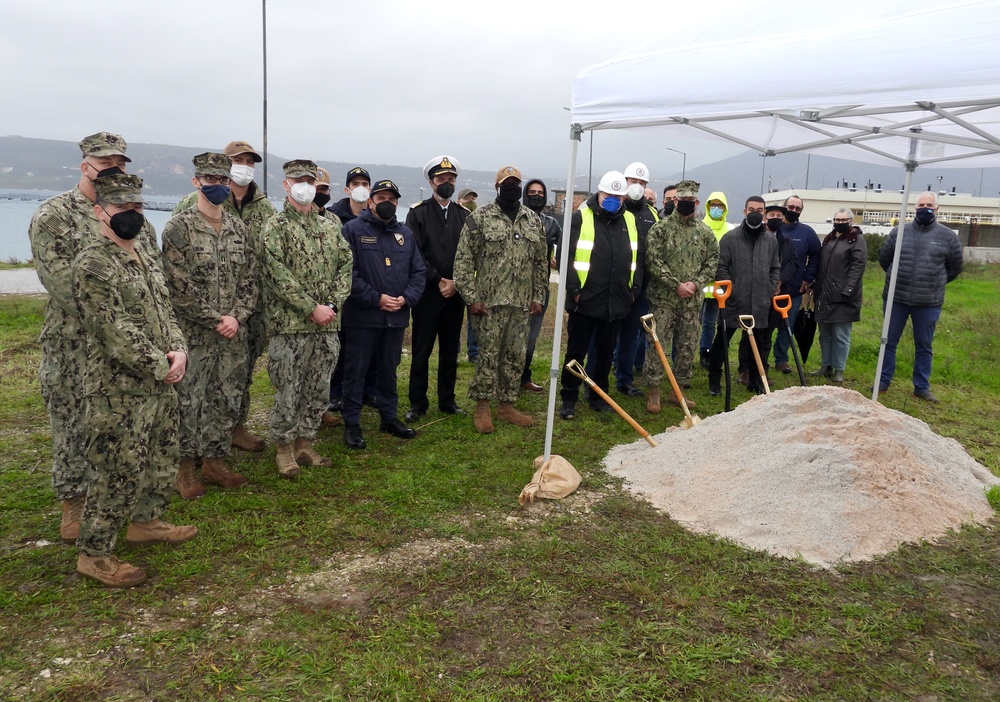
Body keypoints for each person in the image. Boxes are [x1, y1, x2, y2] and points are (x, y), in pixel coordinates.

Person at [28, 131, 160, 545]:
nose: (113, 171)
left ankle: (140, 515)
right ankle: (75, 507)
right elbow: (63, 284)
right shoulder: (54, 215)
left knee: (131, 430)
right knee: (73, 424)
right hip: (74, 343)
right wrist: (117, 324)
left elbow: (153, 280)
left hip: (131, 346)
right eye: (105, 164)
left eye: (120, 164)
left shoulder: (137, 219)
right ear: (85, 166)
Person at [72, 172, 196, 587]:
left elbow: (166, 310)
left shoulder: (143, 251)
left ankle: (146, 522)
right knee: (116, 470)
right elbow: (113, 330)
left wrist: (178, 350)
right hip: (118, 390)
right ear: (100, 211)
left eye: (137, 207)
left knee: (160, 458)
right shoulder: (93, 263)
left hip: (160, 382)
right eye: (122, 208)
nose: (132, 215)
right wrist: (163, 364)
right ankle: (95, 553)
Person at [161, 153, 258, 498]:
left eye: (223, 179)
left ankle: (215, 462)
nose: (217, 185)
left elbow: (249, 281)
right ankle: (185, 469)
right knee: (188, 400)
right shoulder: (179, 227)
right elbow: (178, 285)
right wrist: (217, 319)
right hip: (195, 334)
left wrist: (236, 316)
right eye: (210, 179)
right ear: (196, 182)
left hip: (233, 333)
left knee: (225, 396)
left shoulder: (237, 228)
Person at [174, 140, 275, 453]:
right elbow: (178, 276)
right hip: (199, 324)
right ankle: (188, 461)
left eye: (249, 161)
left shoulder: (253, 214)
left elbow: (254, 268)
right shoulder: (185, 215)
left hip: (243, 318)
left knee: (233, 383)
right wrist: (215, 318)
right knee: (193, 391)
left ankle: (228, 439)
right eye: (237, 160)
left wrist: (238, 314)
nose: (243, 166)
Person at [259, 160, 353, 476]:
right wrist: (310, 307)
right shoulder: (275, 227)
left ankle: (305, 443)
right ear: (286, 185)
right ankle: (284, 449)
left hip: (327, 324)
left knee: (318, 387)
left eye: (310, 180)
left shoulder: (331, 225)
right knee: (290, 387)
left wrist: (332, 306)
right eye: (298, 180)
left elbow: (345, 266)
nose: (304, 185)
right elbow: (276, 274)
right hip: (291, 325)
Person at [454, 165, 548, 433]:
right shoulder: (479, 218)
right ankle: (482, 407)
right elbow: (462, 261)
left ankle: (507, 406)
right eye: (507, 184)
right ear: (497, 187)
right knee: (487, 356)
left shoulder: (533, 220)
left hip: (521, 304)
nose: (512, 188)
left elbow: (541, 263)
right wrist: (471, 298)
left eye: (516, 183)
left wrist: (538, 295)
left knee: (515, 356)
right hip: (489, 304)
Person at [340, 180, 426, 449]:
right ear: (370, 201)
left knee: (389, 370)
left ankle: (389, 418)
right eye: (381, 197)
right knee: (356, 371)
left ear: (397, 202)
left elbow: (418, 272)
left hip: (395, 318)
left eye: (392, 198)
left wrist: (406, 298)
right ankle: (352, 424)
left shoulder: (405, 234)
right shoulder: (352, 230)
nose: (387, 202)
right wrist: (376, 299)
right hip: (363, 318)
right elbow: (347, 274)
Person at [558, 171, 643, 419]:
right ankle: (569, 397)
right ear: (600, 193)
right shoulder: (580, 218)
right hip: (584, 300)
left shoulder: (629, 221)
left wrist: (633, 290)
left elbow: (638, 258)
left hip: (616, 300)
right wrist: (574, 291)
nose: (614, 200)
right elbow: (567, 257)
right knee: (576, 352)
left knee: (606, 352)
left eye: (619, 196)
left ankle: (598, 395)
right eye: (609, 195)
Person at [878, 192, 963, 401]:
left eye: (929, 205)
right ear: (914, 208)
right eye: (921, 204)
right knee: (887, 341)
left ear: (937, 209)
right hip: (896, 298)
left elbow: (954, 268)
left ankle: (921, 386)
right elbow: (884, 260)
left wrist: (934, 282)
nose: (925, 208)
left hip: (928, 302)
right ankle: (882, 381)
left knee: (924, 345)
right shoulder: (899, 232)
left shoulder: (948, 237)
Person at [642, 179, 718, 413]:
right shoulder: (661, 229)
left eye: (690, 201)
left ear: (697, 202)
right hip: (664, 299)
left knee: (687, 346)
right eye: (682, 200)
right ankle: (653, 391)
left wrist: (695, 284)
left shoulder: (705, 232)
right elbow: (653, 260)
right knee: (658, 344)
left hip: (691, 301)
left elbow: (713, 261)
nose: (686, 204)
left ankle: (678, 391)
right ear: (676, 201)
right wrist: (675, 284)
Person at [405, 156, 470, 422]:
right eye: (441, 180)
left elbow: (469, 254)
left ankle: (448, 400)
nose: (446, 184)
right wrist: (439, 280)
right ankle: (417, 403)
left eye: (451, 180)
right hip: (428, 294)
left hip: (455, 295)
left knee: (450, 350)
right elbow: (415, 253)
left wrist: (455, 282)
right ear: (431, 182)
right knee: (422, 350)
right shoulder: (417, 213)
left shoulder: (464, 215)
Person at [707, 196, 780, 396]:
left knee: (758, 343)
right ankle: (714, 380)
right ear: (744, 211)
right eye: (751, 209)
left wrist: (769, 288)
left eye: (759, 209)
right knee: (722, 340)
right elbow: (720, 267)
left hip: (760, 302)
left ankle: (756, 380)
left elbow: (775, 268)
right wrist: (730, 289)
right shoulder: (731, 239)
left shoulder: (770, 240)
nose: (755, 213)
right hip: (733, 301)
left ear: (764, 213)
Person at [323, 166, 377, 419]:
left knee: (368, 346)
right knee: (341, 345)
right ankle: (335, 391)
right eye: (355, 182)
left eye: (365, 183)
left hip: (368, 290)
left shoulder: (376, 216)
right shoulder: (334, 216)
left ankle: (368, 389)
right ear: (347, 188)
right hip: (342, 292)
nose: (360, 187)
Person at [609, 162, 659, 397]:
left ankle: (625, 379)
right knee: (607, 333)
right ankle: (601, 373)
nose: (637, 186)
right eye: (633, 182)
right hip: (614, 286)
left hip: (641, 288)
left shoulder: (652, 214)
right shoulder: (615, 207)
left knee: (631, 335)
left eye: (642, 183)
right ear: (624, 181)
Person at [814, 209, 867, 383]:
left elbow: (857, 267)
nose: (840, 222)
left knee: (841, 335)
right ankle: (826, 365)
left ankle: (839, 369)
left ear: (850, 221)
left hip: (844, 297)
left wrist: (848, 291)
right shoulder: (829, 239)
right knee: (824, 334)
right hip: (824, 294)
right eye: (837, 219)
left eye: (844, 219)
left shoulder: (856, 241)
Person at [772, 195, 821, 374]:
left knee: (788, 326)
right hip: (770, 288)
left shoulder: (807, 233)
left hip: (794, 289)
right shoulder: (773, 229)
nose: (793, 210)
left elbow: (816, 255)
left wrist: (807, 278)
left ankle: (781, 359)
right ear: (784, 207)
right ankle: (759, 358)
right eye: (790, 207)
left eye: (797, 208)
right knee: (766, 326)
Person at [521, 178, 561, 392]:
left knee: (531, 338)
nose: (536, 195)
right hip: (515, 289)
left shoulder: (551, 224)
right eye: (532, 192)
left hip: (539, 289)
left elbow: (560, 250)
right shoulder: (515, 219)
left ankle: (524, 377)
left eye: (540, 193)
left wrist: (557, 260)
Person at [699, 191, 732, 366]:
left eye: (720, 205)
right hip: (697, 284)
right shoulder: (700, 225)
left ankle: (706, 351)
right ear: (708, 206)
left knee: (710, 322)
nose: (716, 209)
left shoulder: (729, 229)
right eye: (713, 205)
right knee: (691, 322)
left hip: (718, 285)